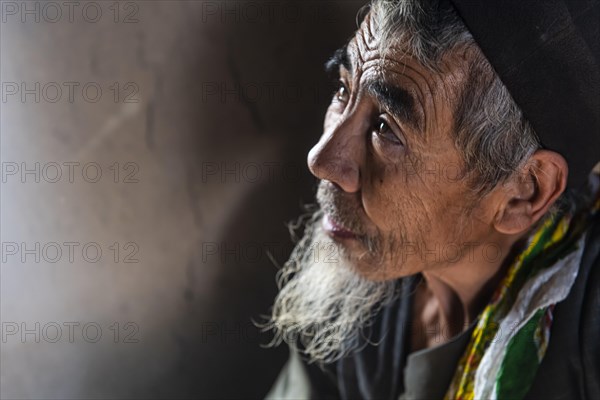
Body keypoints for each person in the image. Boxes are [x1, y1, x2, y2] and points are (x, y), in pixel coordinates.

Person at [262, 0, 600, 398]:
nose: (322, 160)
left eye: (387, 128)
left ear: (524, 193)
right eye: (343, 90)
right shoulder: (355, 298)